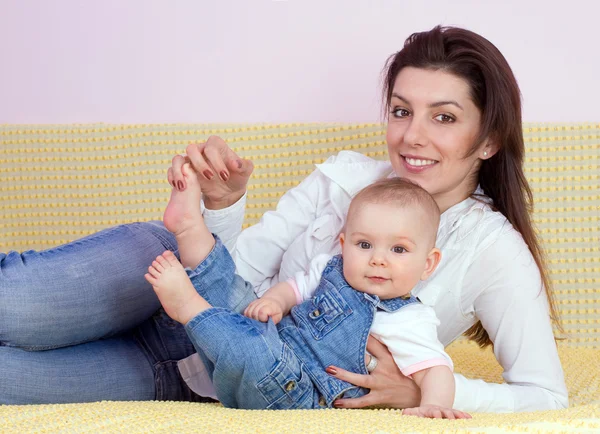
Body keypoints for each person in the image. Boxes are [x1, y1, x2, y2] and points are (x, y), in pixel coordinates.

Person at [0, 25, 568, 412]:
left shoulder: (492, 250)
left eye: (443, 117)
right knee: (14, 304)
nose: (411, 136)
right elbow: (238, 271)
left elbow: (546, 395)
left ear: (489, 138)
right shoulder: (344, 178)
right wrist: (221, 207)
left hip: (193, 380)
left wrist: (421, 391)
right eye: (401, 110)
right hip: (156, 283)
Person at [145, 173, 470, 418]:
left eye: (398, 249)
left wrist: (434, 407)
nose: (378, 259)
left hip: (298, 394)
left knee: (254, 351)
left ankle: (189, 308)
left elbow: (435, 369)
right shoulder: (331, 268)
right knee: (239, 298)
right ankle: (190, 231)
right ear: (344, 245)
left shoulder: (409, 318)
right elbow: (294, 288)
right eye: (364, 244)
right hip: (277, 341)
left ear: (428, 264)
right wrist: (275, 301)